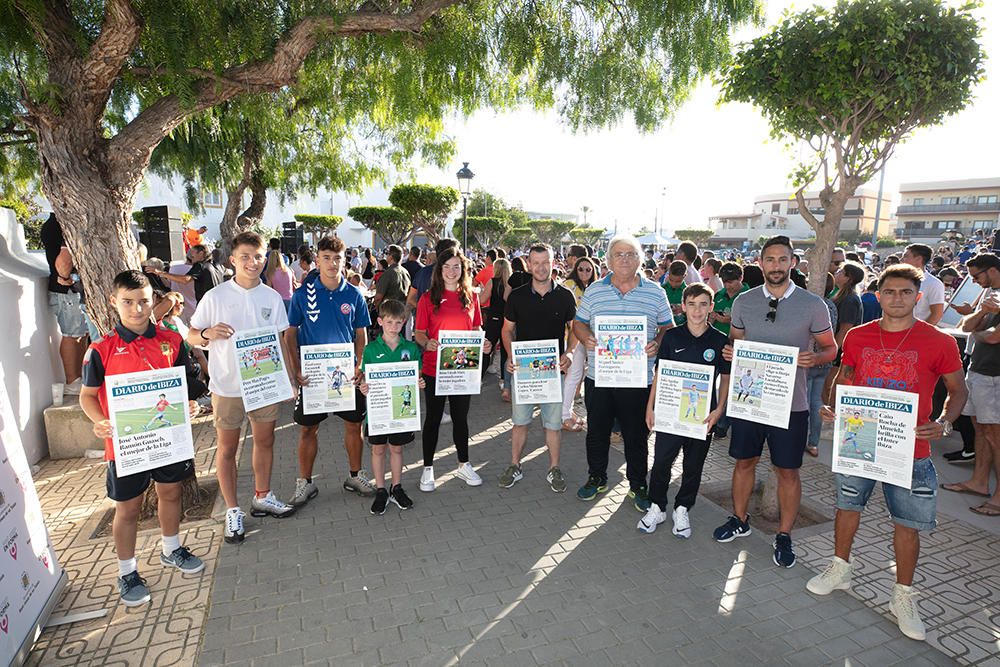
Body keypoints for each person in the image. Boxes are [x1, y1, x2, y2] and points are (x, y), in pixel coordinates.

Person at [807, 264, 967, 641]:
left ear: (918, 296)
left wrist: (944, 422)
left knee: (907, 524)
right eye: (890, 292)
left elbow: (958, 391)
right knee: (847, 506)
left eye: (905, 292)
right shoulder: (859, 337)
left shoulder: (940, 341)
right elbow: (846, 377)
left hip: (910, 445)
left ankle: (903, 595)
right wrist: (835, 406)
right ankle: (840, 568)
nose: (897, 298)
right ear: (878, 295)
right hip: (861, 438)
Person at [80, 270, 204, 607]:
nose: (137, 309)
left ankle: (171, 548)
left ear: (154, 301)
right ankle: (127, 571)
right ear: (114, 302)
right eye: (128, 302)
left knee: (170, 492)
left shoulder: (172, 340)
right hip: (125, 446)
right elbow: (87, 397)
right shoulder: (100, 349)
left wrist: (188, 406)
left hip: (166, 439)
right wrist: (100, 421)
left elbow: (183, 386)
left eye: (144, 301)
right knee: (129, 509)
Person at [714, 235, 837, 569]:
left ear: (793, 263)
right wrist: (729, 351)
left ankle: (784, 534)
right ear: (760, 263)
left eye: (783, 260)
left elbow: (831, 348)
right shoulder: (744, 301)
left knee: (787, 470)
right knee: (744, 462)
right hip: (750, 400)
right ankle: (739, 519)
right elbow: (735, 343)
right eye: (770, 259)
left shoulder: (813, 305)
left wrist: (815, 358)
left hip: (792, 404)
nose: (777, 266)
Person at [189, 232, 297, 544]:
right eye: (245, 256)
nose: (252, 262)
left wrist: (289, 379)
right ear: (232, 259)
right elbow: (191, 336)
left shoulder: (272, 297)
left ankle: (262, 496)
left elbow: (280, 340)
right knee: (227, 450)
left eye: (258, 256)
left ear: (266, 259)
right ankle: (233, 510)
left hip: (263, 383)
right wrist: (207, 333)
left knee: (264, 441)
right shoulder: (216, 296)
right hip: (226, 386)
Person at [572, 235, 673, 509]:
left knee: (636, 435)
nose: (625, 259)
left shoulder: (656, 291)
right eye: (619, 254)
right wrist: (586, 337)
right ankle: (597, 477)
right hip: (599, 376)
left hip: (638, 380)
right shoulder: (594, 290)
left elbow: (668, 327)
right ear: (609, 260)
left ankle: (638, 483)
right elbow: (578, 324)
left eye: (631, 253)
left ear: (640, 258)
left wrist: (658, 343)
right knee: (596, 432)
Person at [284, 235, 374, 506]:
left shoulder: (354, 294)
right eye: (326, 258)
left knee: (353, 425)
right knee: (308, 430)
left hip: (346, 374)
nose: (333, 263)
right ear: (317, 259)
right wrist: (296, 369)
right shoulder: (303, 294)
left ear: (345, 260)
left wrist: (359, 364)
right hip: (312, 376)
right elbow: (290, 334)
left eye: (338, 258)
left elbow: (361, 334)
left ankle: (355, 476)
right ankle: (305, 483)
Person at [640, 284, 730, 537]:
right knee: (661, 462)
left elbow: (725, 377)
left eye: (703, 304)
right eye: (692, 304)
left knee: (693, 465)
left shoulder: (720, 341)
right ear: (683, 307)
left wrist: (719, 409)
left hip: (702, 417)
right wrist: (651, 406)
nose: (697, 310)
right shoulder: (672, 337)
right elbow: (659, 374)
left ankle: (682, 507)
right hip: (670, 413)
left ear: (711, 308)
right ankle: (657, 505)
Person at [498, 244, 577, 493]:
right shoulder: (517, 296)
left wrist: (571, 352)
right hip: (524, 371)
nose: (541, 267)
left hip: (552, 371)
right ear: (529, 265)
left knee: (552, 425)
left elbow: (575, 329)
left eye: (546, 262)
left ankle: (554, 468)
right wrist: (510, 356)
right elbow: (507, 329)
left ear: (554, 263)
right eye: (536, 262)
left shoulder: (565, 296)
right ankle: (515, 465)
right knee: (520, 422)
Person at [414, 247, 492, 491]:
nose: (451, 271)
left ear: (463, 270)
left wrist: (484, 343)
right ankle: (427, 469)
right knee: (434, 419)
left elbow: (476, 329)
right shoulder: (428, 298)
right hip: (434, 368)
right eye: (446, 266)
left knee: (461, 419)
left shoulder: (470, 296)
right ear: (439, 270)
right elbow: (419, 333)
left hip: (462, 369)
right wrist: (427, 342)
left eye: (456, 267)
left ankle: (463, 464)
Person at [942, 252, 1000, 516]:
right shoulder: (989, 296)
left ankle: (998, 497)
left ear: (992, 270)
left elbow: (992, 337)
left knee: (995, 436)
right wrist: (981, 315)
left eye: (977, 276)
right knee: (981, 431)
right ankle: (978, 482)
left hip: (994, 376)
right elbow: (965, 325)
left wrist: (979, 325)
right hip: (978, 371)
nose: (975, 282)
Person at [359, 299, 424, 515]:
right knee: (378, 449)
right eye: (389, 322)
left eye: (398, 323)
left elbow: (417, 376)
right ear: (380, 322)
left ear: (404, 322)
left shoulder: (411, 348)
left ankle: (396, 487)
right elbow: (365, 378)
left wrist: (419, 383)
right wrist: (364, 387)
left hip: (400, 411)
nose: (394, 327)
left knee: (396, 448)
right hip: (378, 411)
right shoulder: (370, 350)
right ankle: (380, 489)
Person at [41, 212, 89, 393]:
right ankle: (72, 381)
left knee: (80, 333)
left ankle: (79, 378)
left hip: (69, 289)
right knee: (72, 334)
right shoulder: (64, 224)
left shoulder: (55, 223)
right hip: (67, 290)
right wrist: (64, 277)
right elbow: (65, 257)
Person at [561, 256, 598, 430]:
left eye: (588, 270)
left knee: (574, 376)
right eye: (581, 269)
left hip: (585, 338)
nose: (584, 272)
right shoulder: (569, 286)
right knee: (574, 374)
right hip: (571, 337)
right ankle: (564, 415)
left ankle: (566, 411)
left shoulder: (592, 289)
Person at [155, 244, 224, 307]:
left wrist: (161, 273)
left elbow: (185, 280)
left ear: (201, 253)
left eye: (192, 252)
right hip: (219, 304)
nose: (190, 256)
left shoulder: (200, 265)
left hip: (207, 306)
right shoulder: (217, 266)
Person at [483, 258, 512, 396]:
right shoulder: (511, 284)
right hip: (508, 320)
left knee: (487, 348)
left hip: (494, 319)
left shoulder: (493, 282)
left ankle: (478, 378)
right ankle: (504, 382)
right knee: (506, 353)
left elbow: (483, 300)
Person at [902, 244, 945, 325]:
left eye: (906, 256)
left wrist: (920, 332)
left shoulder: (933, 283)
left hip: (916, 333)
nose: (902, 259)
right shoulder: (896, 280)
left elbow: (937, 314)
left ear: (918, 259)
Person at [372, 244, 411, 309]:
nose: (386, 256)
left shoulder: (388, 273)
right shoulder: (406, 272)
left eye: (387, 254)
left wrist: (377, 308)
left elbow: (378, 297)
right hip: (402, 309)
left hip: (389, 311)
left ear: (391, 257)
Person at [662, 260, 688, 326]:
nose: (674, 284)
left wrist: (684, 309)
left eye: (678, 281)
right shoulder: (662, 290)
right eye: (671, 280)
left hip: (683, 329)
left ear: (684, 276)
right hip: (665, 328)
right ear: (668, 274)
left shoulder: (689, 292)